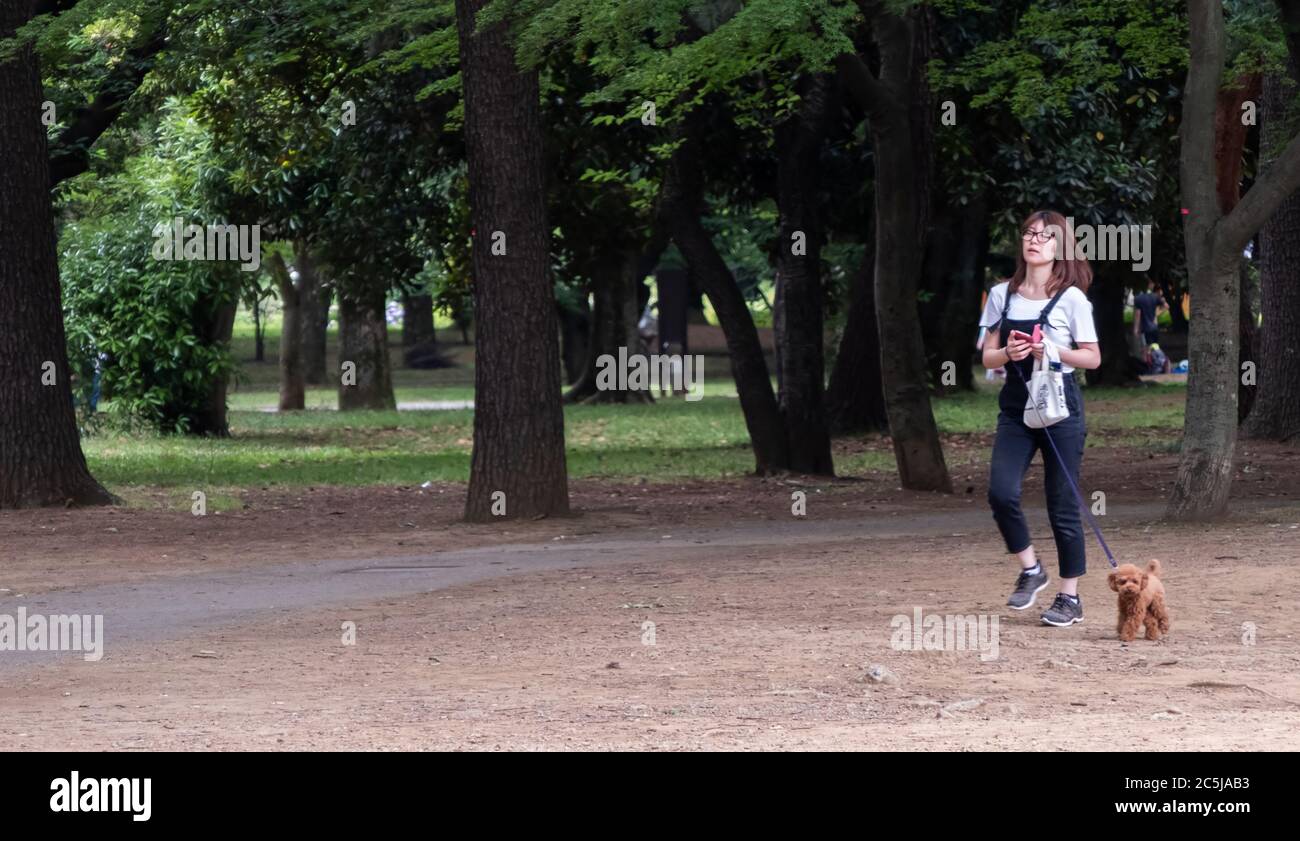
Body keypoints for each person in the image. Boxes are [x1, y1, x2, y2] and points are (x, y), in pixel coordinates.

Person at [979, 210, 1101, 627]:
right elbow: (987, 356)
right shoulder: (1001, 294)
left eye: (1045, 236)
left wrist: (1052, 350)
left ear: (1060, 247)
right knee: (1000, 492)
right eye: (1029, 233)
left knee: (1062, 504)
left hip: (1059, 407)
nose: (1034, 240)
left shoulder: (1071, 299)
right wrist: (1008, 355)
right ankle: (1031, 569)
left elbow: (1092, 357)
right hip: (1016, 406)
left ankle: (1070, 598)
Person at [1133, 280, 1165, 347]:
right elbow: (1166, 306)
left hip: (1145, 329)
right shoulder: (1155, 296)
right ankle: (1157, 357)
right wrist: (1156, 314)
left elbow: (1138, 315)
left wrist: (1136, 329)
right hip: (1154, 327)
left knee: (1147, 348)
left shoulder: (1138, 298)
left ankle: (1149, 357)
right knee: (1156, 346)